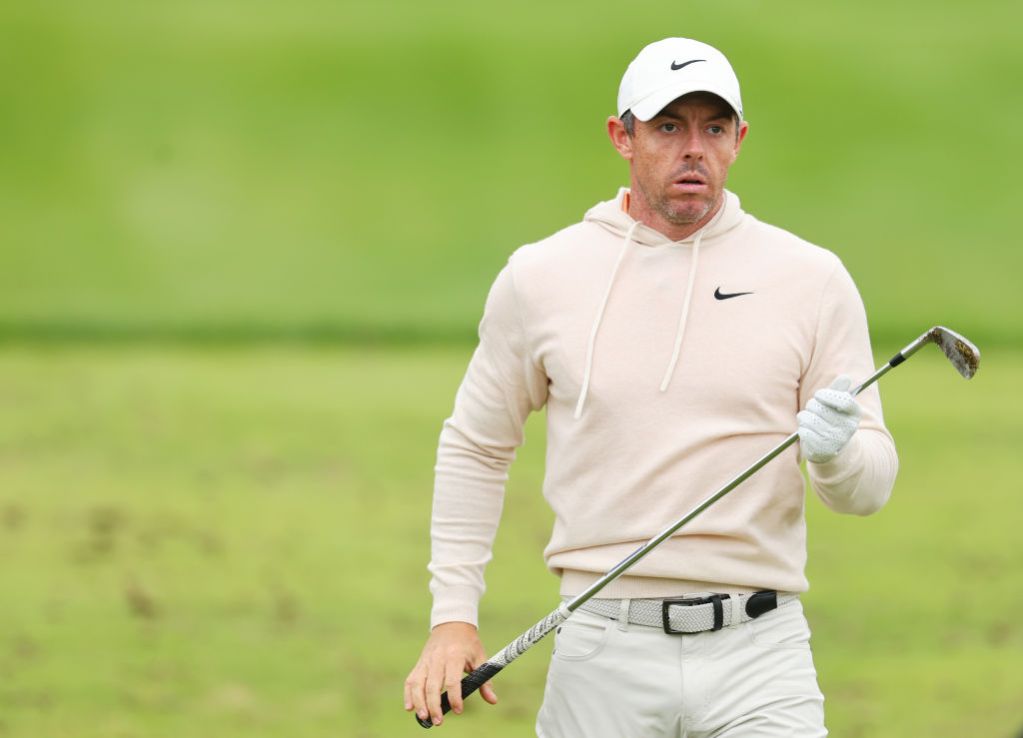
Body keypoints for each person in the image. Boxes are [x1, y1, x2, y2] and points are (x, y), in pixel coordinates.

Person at [404, 37, 898, 737]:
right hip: (600, 648)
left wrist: (834, 455)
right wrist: (452, 617)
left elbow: (869, 488)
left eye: (713, 128)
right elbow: (476, 446)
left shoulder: (810, 279)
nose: (692, 148)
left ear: (738, 140)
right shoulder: (542, 276)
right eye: (668, 127)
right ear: (622, 136)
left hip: (760, 652)